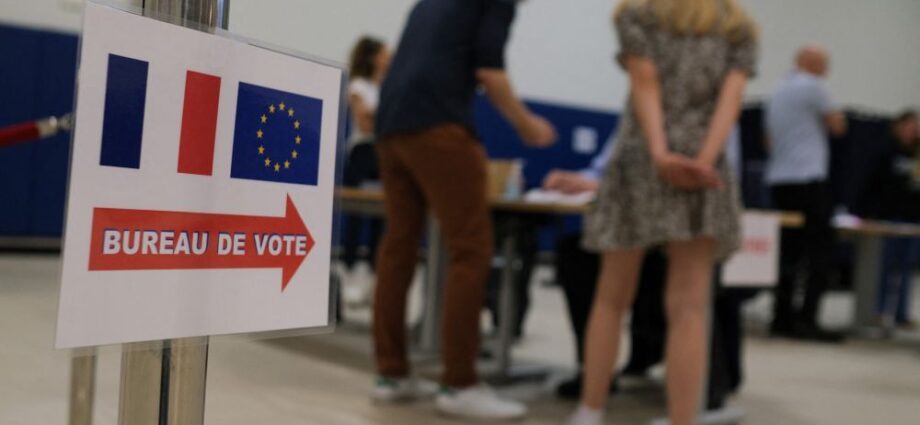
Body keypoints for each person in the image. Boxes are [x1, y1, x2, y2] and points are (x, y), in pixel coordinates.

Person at [566, 0, 758, 424]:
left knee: (611, 297)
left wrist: (660, 154)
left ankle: (589, 411)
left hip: (640, 159)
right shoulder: (738, 28)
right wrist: (703, 163)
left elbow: (645, 83)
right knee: (690, 307)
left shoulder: (637, 15)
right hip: (704, 169)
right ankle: (681, 420)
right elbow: (730, 103)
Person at [370, 0, 556, 421]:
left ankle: (391, 375)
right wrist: (527, 124)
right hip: (439, 124)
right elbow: (490, 73)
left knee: (398, 247)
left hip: (391, 125)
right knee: (471, 250)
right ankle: (460, 383)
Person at [764, 45, 848, 342]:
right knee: (820, 252)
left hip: (780, 178)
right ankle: (807, 319)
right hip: (808, 177)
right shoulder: (814, 87)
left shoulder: (777, 91)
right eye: (825, 63)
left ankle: (781, 317)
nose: (828, 69)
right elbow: (837, 126)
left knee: (788, 252)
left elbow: (768, 140)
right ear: (811, 63)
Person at [339, 36, 390, 305]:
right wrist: (381, 118)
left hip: (384, 154)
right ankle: (348, 272)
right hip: (362, 154)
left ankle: (373, 277)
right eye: (384, 53)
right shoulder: (358, 86)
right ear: (372, 57)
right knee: (356, 215)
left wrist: (377, 117)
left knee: (381, 218)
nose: (389, 57)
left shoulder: (386, 89)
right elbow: (365, 122)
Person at [859, 110, 920, 328]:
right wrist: (866, 212)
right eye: (909, 125)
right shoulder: (886, 152)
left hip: (913, 220)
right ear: (898, 126)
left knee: (907, 268)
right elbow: (871, 184)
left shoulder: (916, 155)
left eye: (916, 126)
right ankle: (877, 310)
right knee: (884, 266)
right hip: (888, 218)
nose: (914, 130)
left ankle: (901, 314)